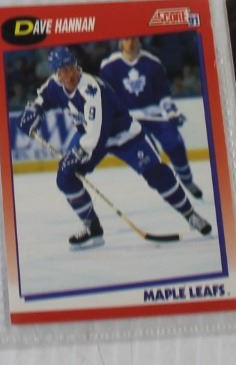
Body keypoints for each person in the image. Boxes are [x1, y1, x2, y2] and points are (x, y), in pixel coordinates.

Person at [17, 48, 211, 249]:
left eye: (71, 67)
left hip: (124, 135)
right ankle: (92, 228)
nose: (69, 74)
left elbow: (96, 133)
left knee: (157, 173)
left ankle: (190, 215)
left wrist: (77, 153)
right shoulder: (54, 84)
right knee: (65, 177)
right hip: (91, 137)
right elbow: (42, 98)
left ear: (76, 65)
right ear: (57, 73)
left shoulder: (91, 89)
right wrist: (34, 111)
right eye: (63, 70)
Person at [101, 37, 201, 198]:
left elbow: (163, 94)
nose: (130, 43)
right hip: (129, 119)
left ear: (139, 41)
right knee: (150, 153)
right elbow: (107, 98)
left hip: (155, 114)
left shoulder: (153, 63)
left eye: (133, 38)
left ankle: (187, 180)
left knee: (175, 143)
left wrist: (171, 111)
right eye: (126, 39)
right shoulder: (109, 67)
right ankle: (170, 187)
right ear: (120, 42)